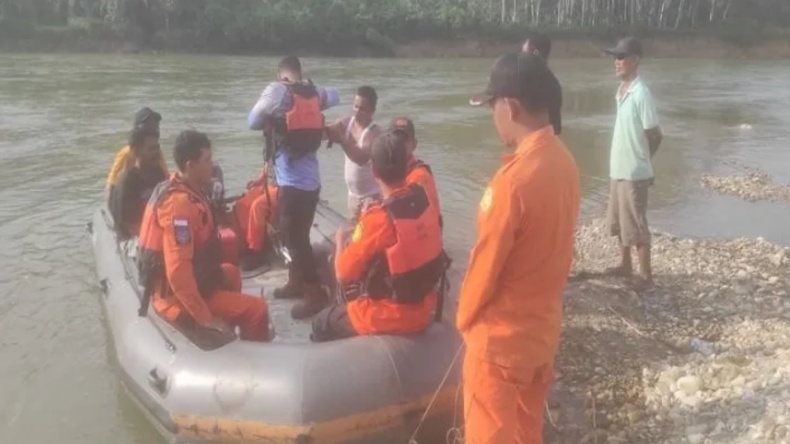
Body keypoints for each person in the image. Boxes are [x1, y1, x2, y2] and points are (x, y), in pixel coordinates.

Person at [460, 53, 580, 444]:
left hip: (499, 345)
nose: (493, 117)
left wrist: (462, 321)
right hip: (541, 334)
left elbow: (484, 269)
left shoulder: (512, 183)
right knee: (528, 432)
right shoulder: (564, 162)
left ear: (510, 106)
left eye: (492, 106)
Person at [311, 130, 445, 342]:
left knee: (321, 322)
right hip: (426, 303)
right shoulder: (424, 200)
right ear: (406, 164)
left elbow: (343, 275)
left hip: (392, 314)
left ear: (373, 170)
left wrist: (339, 241)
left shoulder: (378, 219)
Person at [137, 130, 270, 342]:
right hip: (173, 297)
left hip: (199, 281)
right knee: (258, 309)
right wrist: (205, 318)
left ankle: (231, 334)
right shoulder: (178, 208)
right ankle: (250, 356)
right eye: (207, 160)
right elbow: (178, 273)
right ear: (190, 166)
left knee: (232, 272)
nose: (212, 165)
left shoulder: (188, 189)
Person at [246, 55, 340, 319]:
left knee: (293, 239)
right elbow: (337, 95)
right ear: (300, 73)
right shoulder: (314, 93)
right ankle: (295, 281)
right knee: (297, 235)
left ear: (281, 75)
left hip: (292, 185)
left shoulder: (277, 91)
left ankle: (314, 295)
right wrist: (315, 95)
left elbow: (251, 121)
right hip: (312, 183)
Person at [602, 37, 663, 290]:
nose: (617, 62)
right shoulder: (622, 90)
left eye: (621, 57)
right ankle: (625, 264)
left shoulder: (641, 92)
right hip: (618, 169)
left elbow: (655, 134)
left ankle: (645, 275)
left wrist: (644, 159)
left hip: (634, 171)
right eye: (615, 57)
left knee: (636, 223)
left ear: (635, 60)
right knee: (619, 220)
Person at [326, 86, 383, 220]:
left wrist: (341, 140)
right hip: (352, 196)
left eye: (362, 109)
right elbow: (327, 131)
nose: (357, 112)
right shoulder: (346, 122)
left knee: (369, 237)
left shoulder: (375, 133)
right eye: (355, 106)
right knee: (353, 235)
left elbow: (360, 158)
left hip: (371, 197)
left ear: (372, 111)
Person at [109, 126, 166, 241]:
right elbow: (130, 227)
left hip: (154, 231)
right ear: (136, 151)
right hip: (131, 240)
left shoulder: (158, 174)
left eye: (157, 147)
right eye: (151, 149)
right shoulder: (127, 183)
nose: (156, 152)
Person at [106, 107, 168, 199]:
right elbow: (110, 186)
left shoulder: (156, 152)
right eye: (150, 125)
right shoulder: (126, 154)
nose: (154, 128)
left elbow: (165, 178)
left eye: (155, 125)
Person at [388, 117, 442, 223]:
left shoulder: (420, 177)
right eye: (396, 138)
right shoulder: (391, 169)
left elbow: (402, 213)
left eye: (404, 139)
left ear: (414, 144)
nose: (399, 143)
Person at [233, 168, 280, 271]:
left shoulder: (289, 152)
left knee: (258, 206)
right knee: (242, 204)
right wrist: (258, 181)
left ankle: (257, 250)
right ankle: (249, 243)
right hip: (270, 185)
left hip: (286, 188)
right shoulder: (274, 151)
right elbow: (269, 167)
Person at [521, 33, 563, 136]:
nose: (521, 57)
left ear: (535, 52)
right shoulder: (551, 81)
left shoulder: (533, 82)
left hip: (535, 141)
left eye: (524, 52)